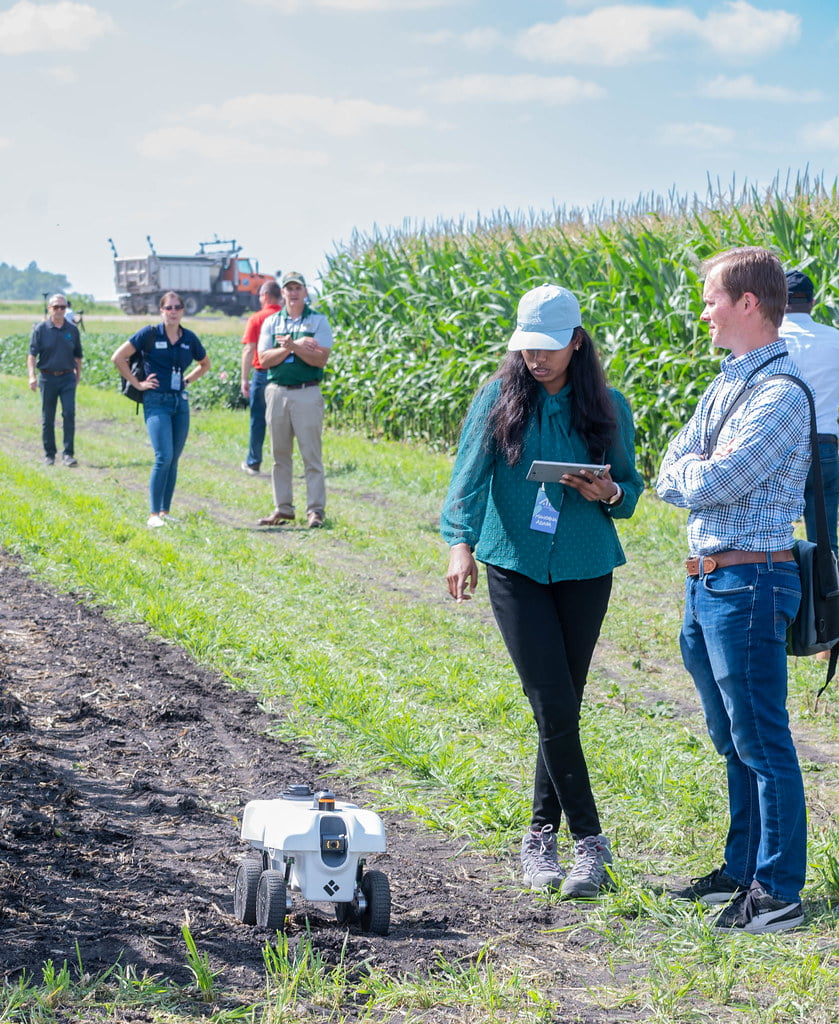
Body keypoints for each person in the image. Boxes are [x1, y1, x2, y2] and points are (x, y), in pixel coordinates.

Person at [440, 284, 643, 898]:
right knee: (553, 704)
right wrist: (460, 544)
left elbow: (630, 492)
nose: (538, 358)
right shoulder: (498, 401)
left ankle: (537, 839)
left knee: (560, 709)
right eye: (528, 347)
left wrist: (605, 492)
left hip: (585, 567)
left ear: (576, 342)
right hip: (514, 566)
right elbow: (467, 480)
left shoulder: (609, 407)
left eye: (550, 347)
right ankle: (589, 844)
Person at [656, 247, 810, 934]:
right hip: (709, 582)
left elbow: (718, 481)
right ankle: (741, 867)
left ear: (747, 302)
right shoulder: (724, 386)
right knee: (730, 737)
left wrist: (697, 469)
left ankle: (776, 890)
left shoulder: (778, 393)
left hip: (749, 579)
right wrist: (696, 466)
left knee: (761, 738)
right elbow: (669, 468)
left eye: (711, 297)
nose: (703, 309)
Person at [111, 291, 210, 528]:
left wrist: (187, 381)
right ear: (161, 311)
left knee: (173, 458)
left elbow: (205, 364)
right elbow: (118, 357)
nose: (173, 312)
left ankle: (165, 512)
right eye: (169, 308)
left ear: (183, 311)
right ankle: (153, 514)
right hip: (155, 401)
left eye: (177, 308)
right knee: (162, 456)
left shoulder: (189, 338)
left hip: (180, 402)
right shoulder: (149, 333)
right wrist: (138, 384)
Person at [257, 271, 334, 529]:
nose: (293, 293)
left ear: (304, 292)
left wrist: (293, 347)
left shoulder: (318, 321)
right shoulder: (271, 322)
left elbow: (320, 359)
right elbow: (264, 359)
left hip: (307, 392)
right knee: (280, 455)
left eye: (297, 288)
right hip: (277, 391)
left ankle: (315, 510)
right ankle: (283, 507)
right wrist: (296, 346)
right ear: (284, 293)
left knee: (310, 454)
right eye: (288, 288)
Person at [781, 269, 839, 556]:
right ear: (813, 302)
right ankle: (830, 598)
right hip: (825, 442)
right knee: (826, 540)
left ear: (779, 300)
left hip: (780, 447)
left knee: (771, 537)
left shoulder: (768, 341)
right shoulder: (835, 339)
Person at [27, 293, 83, 467]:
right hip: (47, 377)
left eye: (62, 307)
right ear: (50, 309)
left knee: (69, 414)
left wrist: (77, 376)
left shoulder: (72, 330)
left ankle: (68, 454)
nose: (59, 310)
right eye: (56, 307)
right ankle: (49, 454)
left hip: (67, 377)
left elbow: (78, 356)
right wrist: (32, 376)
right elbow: (32, 355)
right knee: (48, 417)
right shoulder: (41, 329)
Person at [240, 280, 283, 476]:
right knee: (283, 422)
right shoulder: (286, 317)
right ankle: (283, 463)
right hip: (284, 374)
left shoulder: (256, 319)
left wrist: (244, 378)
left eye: (260, 296)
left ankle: (254, 462)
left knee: (258, 419)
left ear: (265, 296)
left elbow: (249, 349)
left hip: (262, 373)